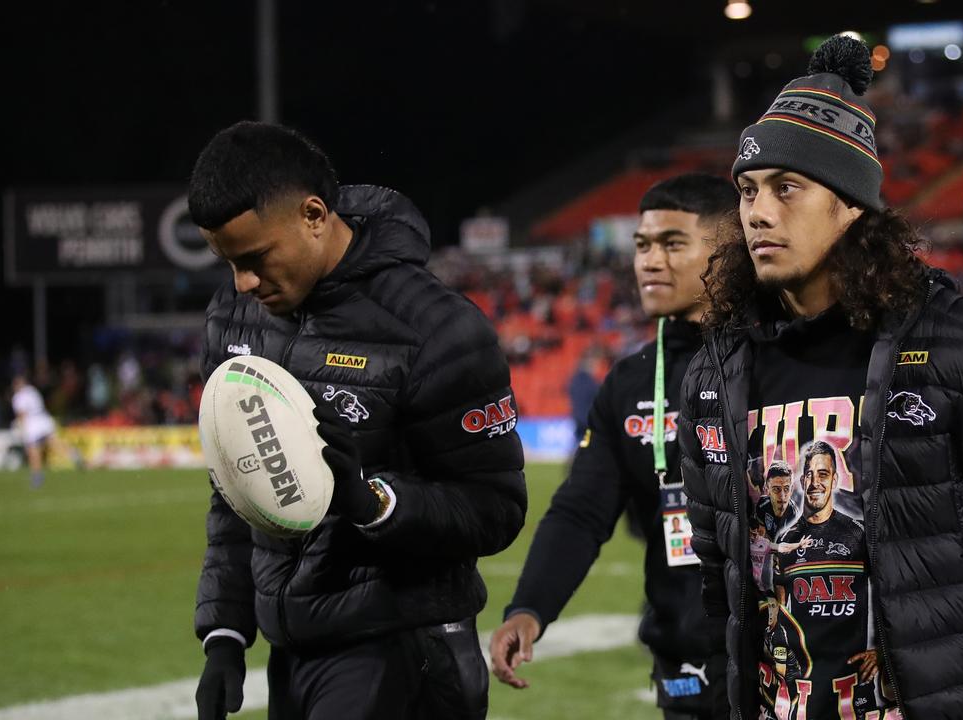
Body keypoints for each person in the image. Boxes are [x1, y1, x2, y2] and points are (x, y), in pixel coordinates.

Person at [678, 36, 963, 720]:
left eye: (787, 188)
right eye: (748, 190)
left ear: (850, 204)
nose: (757, 211)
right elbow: (722, 587)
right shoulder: (713, 375)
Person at [188, 121, 527, 720]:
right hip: (294, 655)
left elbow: (496, 509)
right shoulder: (235, 317)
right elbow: (237, 489)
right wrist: (225, 633)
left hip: (411, 651)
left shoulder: (437, 328)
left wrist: (375, 502)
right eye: (228, 263)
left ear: (315, 215)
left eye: (256, 258)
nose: (242, 283)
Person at [488, 173, 737, 720]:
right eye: (643, 246)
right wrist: (530, 609)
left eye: (673, 244)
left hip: (789, 661)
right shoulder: (630, 382)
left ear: (729, 250)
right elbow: (581, 511)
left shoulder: (778, 360)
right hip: (687, 670)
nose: (650, 261)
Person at [10, 374, 80, 487]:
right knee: (54, 443)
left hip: (32, 422)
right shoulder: (32, 390)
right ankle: (73, 454)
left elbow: (21, 414)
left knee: (33, 450)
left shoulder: (19, 396)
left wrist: (21, 429)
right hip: (44, 419)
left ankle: (37, 476)